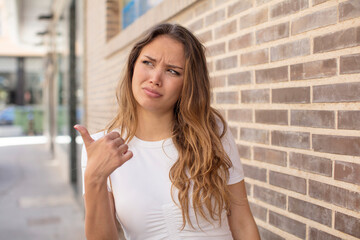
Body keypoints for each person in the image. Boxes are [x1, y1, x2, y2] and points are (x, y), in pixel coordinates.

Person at [75, 23, 260, 240]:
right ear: (133, 66)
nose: (155, 78)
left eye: (172, 71)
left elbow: (242, 221)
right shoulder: (103, 146)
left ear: (188, 83)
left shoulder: (211, 132)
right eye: (148, 63)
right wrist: (94, 178)